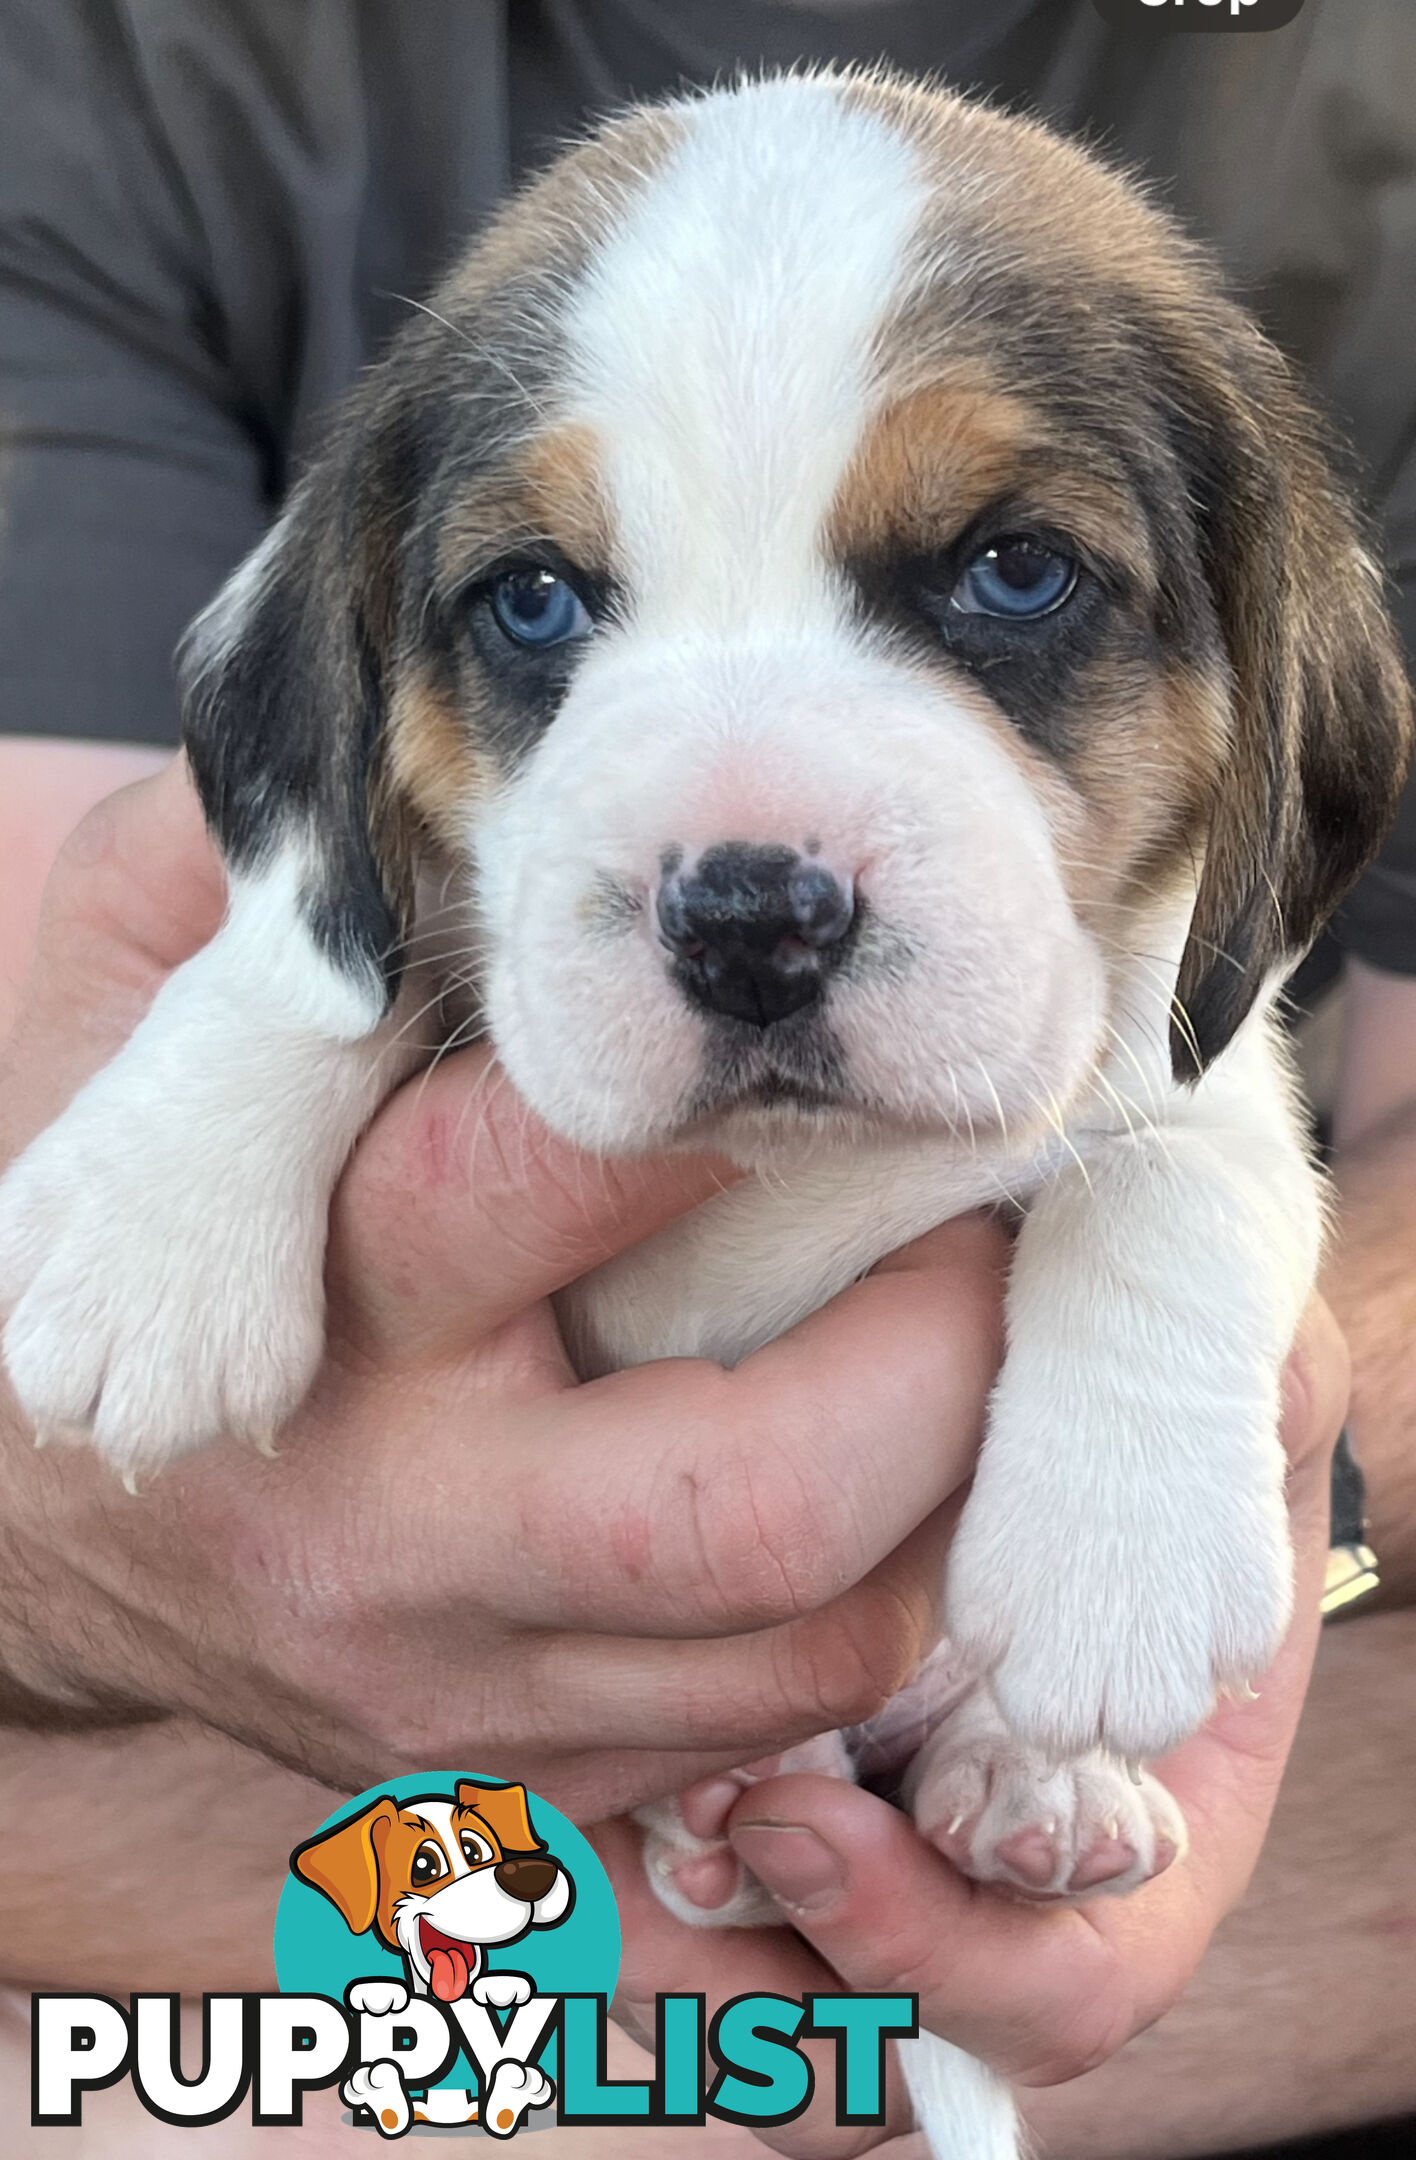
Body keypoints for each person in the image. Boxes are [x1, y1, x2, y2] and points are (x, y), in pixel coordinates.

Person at [0, 4, 1412, 2154]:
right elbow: (219, 933)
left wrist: (1204, 1427)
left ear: (1253, 673)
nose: (752, 876)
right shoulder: (131, 70)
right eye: (546, 603)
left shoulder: (1353, 112)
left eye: (1009, 572)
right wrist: (246, 1064)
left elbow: (1226, 1140)